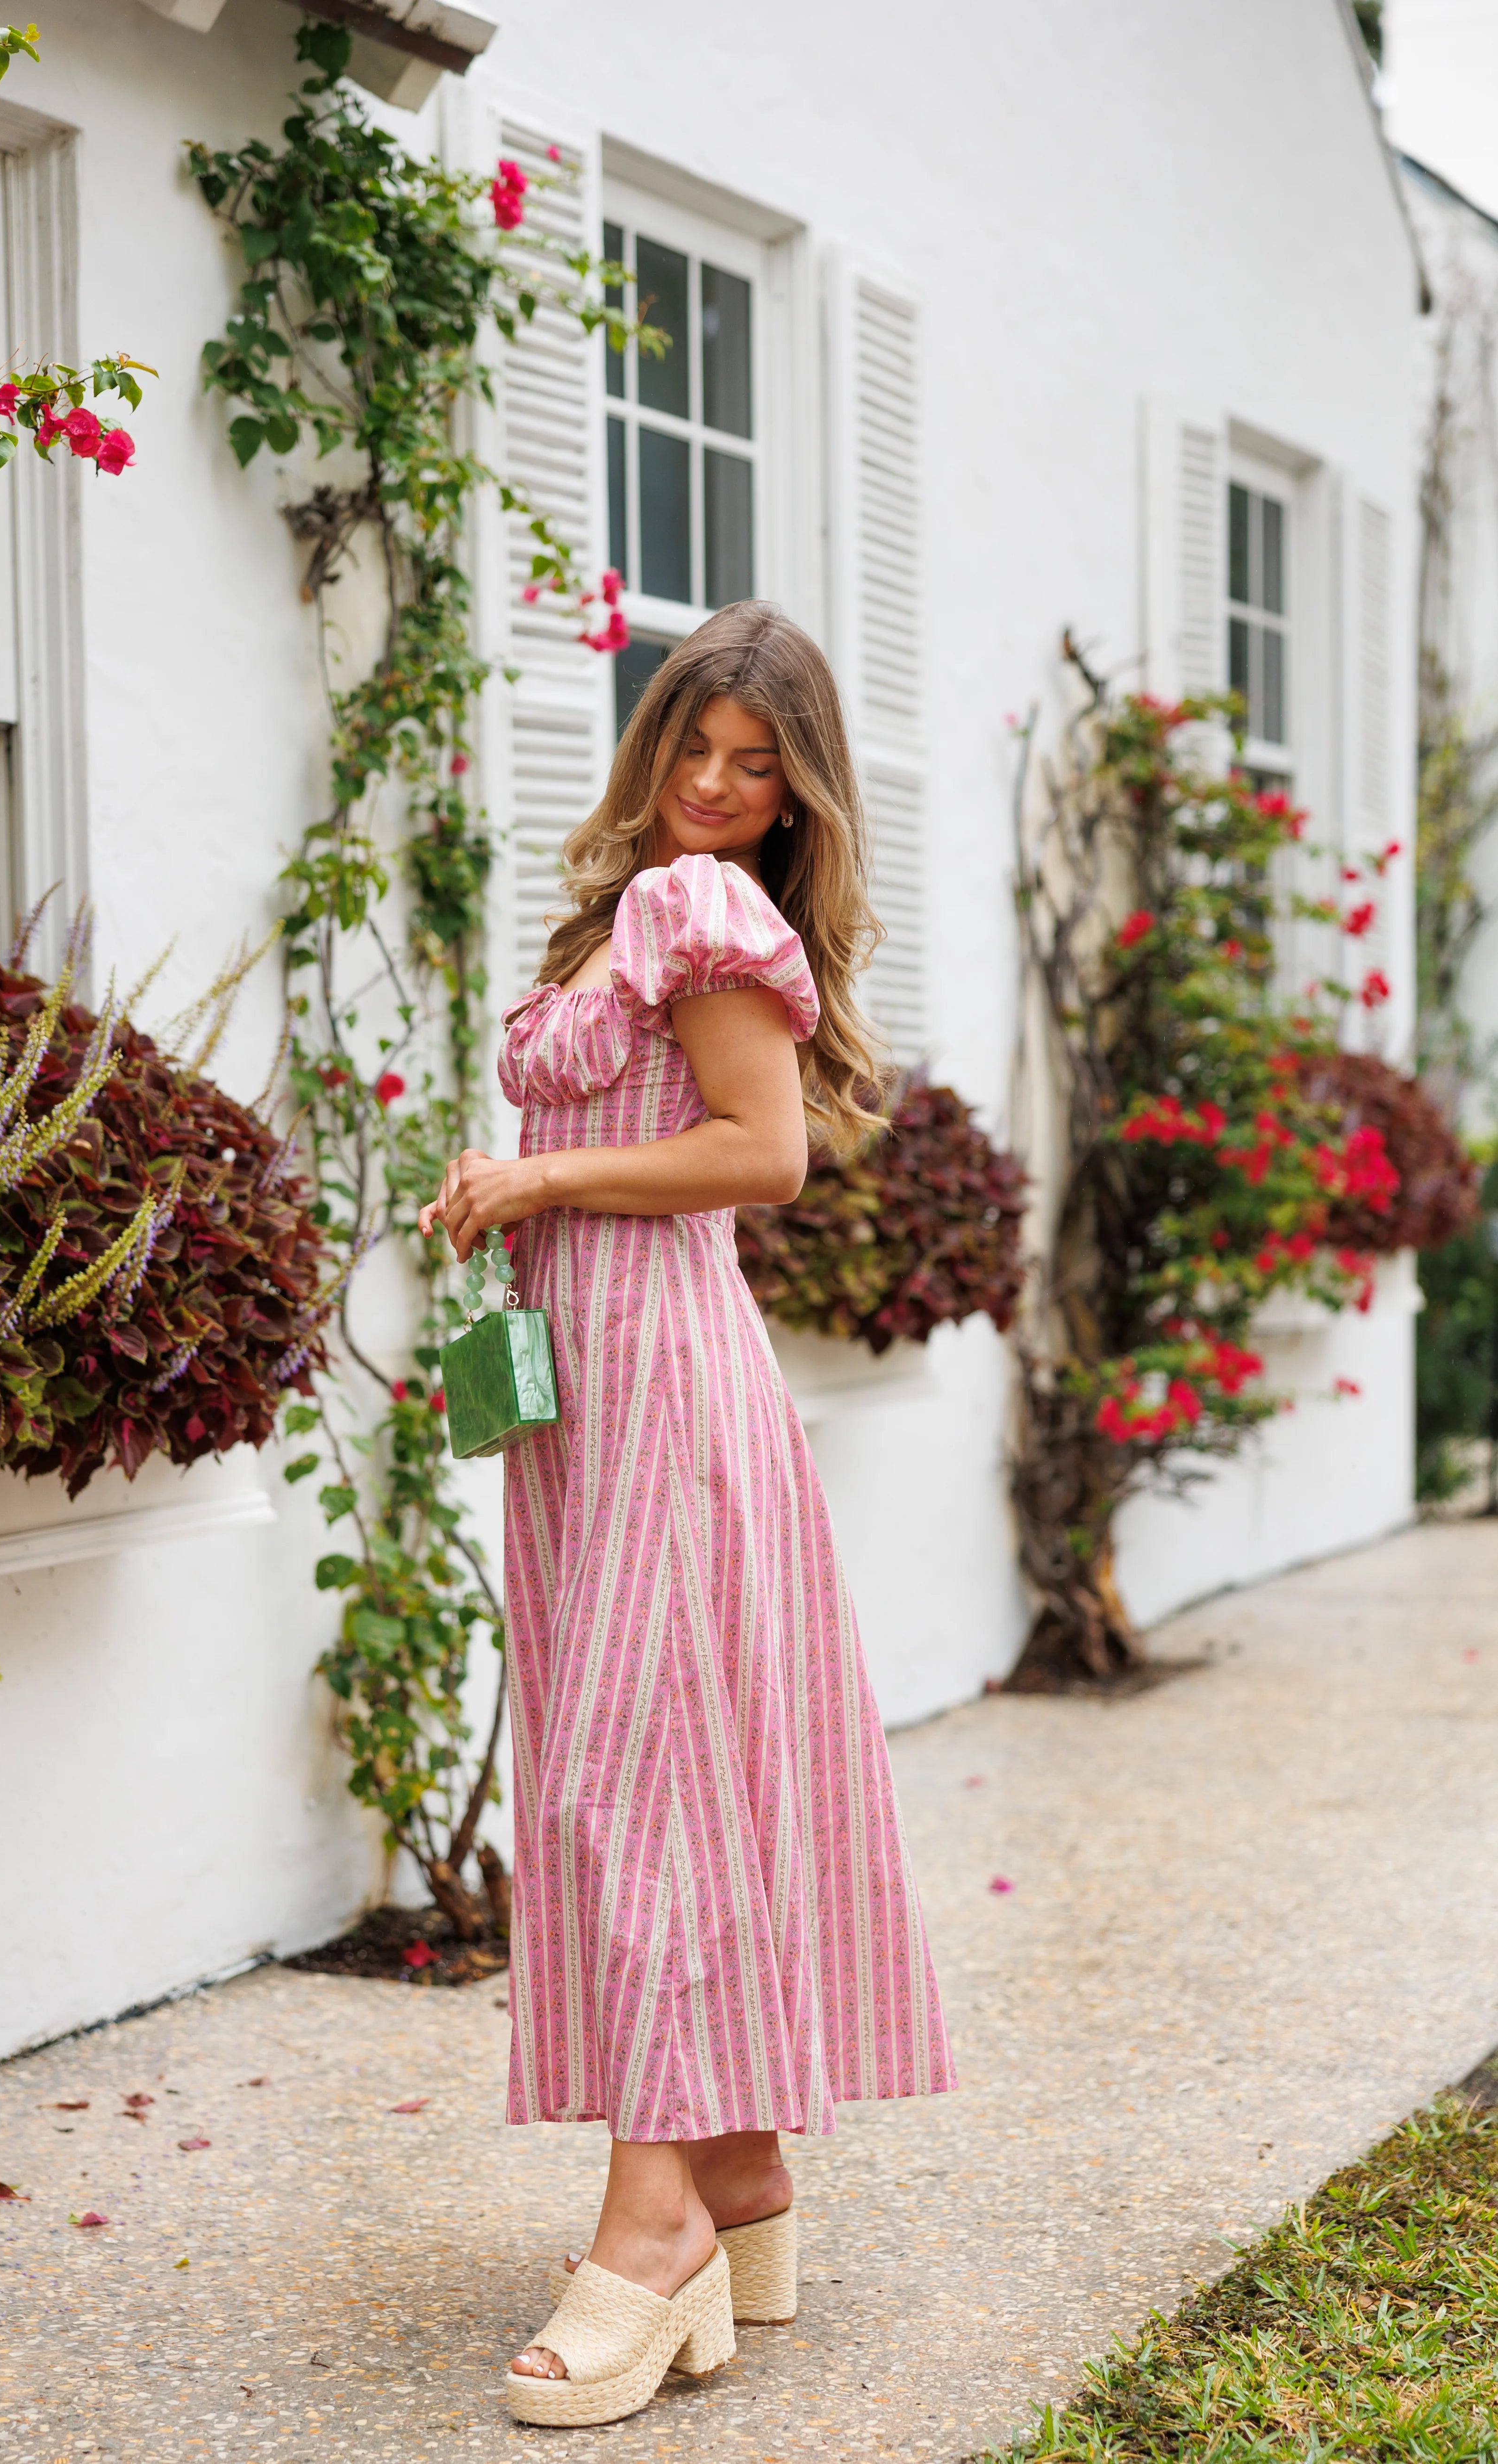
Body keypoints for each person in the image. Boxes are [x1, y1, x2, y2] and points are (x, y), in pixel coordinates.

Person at [420, 599, 953, 2428]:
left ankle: (653, 2230)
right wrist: (520, 1186)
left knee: (636, 1785)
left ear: (796, 795)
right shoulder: (630, 909)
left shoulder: (704, 907)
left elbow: (763, 1151)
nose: (716, 788)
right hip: (595, 1387)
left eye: (755, 767)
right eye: (693, 750)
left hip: (657, 1374)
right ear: (652, 746)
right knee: (657, 1766)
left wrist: (544, 1175)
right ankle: (739, 2178)